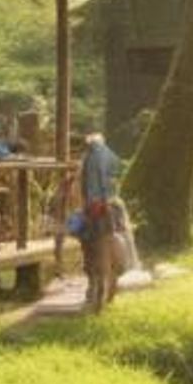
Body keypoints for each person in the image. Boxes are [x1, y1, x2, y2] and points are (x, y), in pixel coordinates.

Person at [79, 128, 123, 313]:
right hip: (108, 206)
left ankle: (95, 284)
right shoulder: (109, 156)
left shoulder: (88, 159)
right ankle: (110, 281)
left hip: (94, 207)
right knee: (114, 235)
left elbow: (85, 187)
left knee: (88, 241)